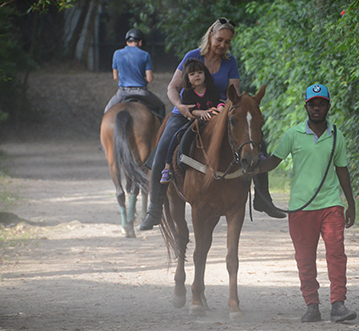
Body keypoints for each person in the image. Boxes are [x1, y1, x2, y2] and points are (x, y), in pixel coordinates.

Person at [139, 17, 284, 231]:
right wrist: (181, 106)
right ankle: (155, 208)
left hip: (218, 112)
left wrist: (220, 111)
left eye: (227, 42)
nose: (222, 45)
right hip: (188, 110)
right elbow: (172, 86)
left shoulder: (230, 62)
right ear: (210, 36)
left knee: (255, 143)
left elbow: (233, 94)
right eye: (219, 40)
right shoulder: (192, 57)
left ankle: (262, 199)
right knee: (163, 145)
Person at [257, 84, 357, 323]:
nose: (316, 108)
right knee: (304, 258)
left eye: (321, 103)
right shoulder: (293, 135)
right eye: (312, 104)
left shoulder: (336, 135)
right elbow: (273, 161)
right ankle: (312, 305)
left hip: (331, 205)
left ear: (328, 107)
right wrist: (251, 167)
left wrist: (350, 203)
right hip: (301, 207)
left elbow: (342, 171)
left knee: (336, 254)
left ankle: (338, 304)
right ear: (306, 106)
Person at [160, 58, 225, 184]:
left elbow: (218, 103)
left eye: (200, 72)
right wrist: (202, 113)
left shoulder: (211, 89)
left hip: (213, 119)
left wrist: (220, 110)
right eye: (192, 74)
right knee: (177, 136)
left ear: (205, 74)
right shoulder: (188, 93)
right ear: (187, 78)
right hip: (196, 121)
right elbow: (191, 110)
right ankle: (167, 167)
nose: (197, 76)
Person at [104, 28, 165, 119]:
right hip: (141, 92)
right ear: (140, 42)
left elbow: (115, 77)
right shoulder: (145, 55)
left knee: (107, 111)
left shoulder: (117, 53)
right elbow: (149, 78)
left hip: (123, 92)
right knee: (161, 106)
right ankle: (162, 132)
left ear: (127, 41)